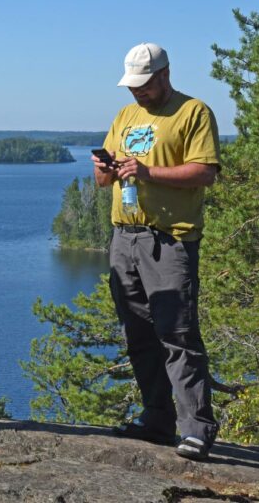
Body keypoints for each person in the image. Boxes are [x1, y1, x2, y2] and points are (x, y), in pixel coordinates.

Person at [92, 43, 220, 460]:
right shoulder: (126, 115)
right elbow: (100, 180)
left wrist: (147, 172)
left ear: (164, 74)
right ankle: (157, 418)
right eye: (132, 86)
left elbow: (205, 172)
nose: (137, 93)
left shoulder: (193, 112)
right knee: (139, 335)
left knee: (177, 334)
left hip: (169, 240)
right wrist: (106, 169)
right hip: (124, 237)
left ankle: (196, 428)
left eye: (143, 85)